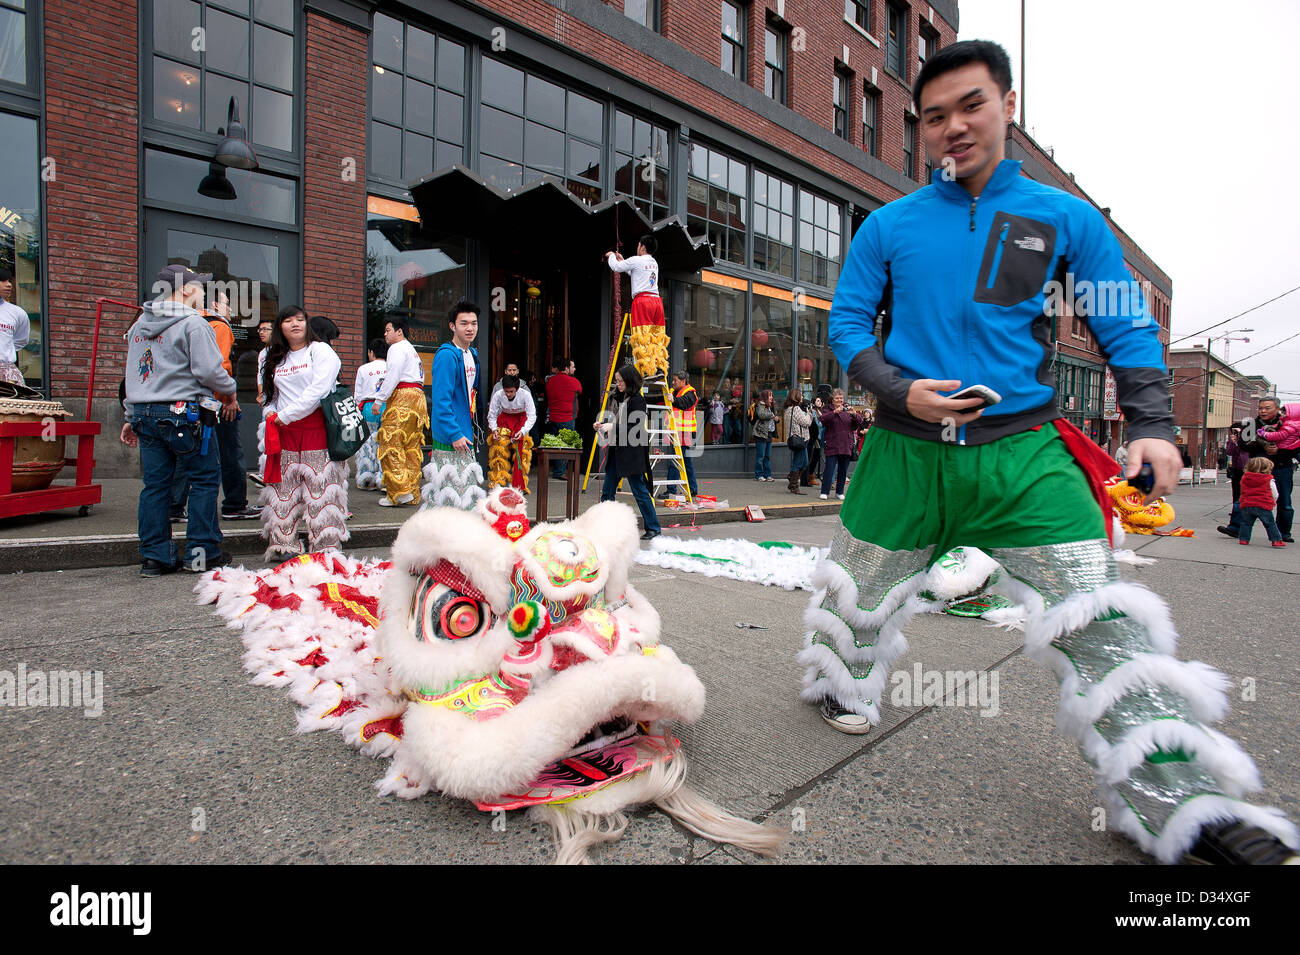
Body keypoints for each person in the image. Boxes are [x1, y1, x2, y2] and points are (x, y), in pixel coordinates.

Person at [796, 39, 1296, 864]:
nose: (953, 127)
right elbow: (848, 326)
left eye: (971, 106)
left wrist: (1151, 423)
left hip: (1024, 458)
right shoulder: (886, 225)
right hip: (903, 451)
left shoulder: (1064, 219)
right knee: (854, 604)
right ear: (918, 129)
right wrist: (896, 387)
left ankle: (1183, 805)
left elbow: (1125, 324)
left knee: (1101, 620)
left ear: (1008, 104)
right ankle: (839, 685)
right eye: (933, 117)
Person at [120, 264, 237, 576]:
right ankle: (202, 554)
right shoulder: (193, 324)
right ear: (185, 289)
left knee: (155, 486)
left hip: (145, 414)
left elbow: (133, 375)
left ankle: (155, 558)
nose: (202, 292)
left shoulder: (138, 327)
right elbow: (210, 371)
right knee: (203, 480)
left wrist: (131, 416)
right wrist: (231, 389)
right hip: (185, 413)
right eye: (198, 286)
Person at [259, 305, 348, 561]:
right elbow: (268, 394)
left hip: (315, 428)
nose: (295, 324)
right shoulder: (273, 356)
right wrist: (270, 412)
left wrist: (284, 416)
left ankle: (325, 547)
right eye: (288, 321)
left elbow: (318, 390)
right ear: (280, 327)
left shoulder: (320, 351)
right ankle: (283, 544)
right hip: (282, 432)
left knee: (320, 489)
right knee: (283, 490)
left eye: (300, 319)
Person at [421, 300, 486, 510]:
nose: (470, 328)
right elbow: (441, 402)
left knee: (466, 491)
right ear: (452, 326)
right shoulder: (446, 355)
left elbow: (471, 396)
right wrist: (454, 433)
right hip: (451, 436)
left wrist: (472, 427)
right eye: (463, 323)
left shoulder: (471, 354)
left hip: (464, 432)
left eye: (474, 323)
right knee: (448, 493)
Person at [596, 364, 660, 540]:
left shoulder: (638, 400)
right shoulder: (618, 397)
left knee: (639, 491)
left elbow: (635, 426)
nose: (618, 384)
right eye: (616, 381)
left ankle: (653, 527)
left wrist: (612, 426)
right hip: (618, 450)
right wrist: (602, 426)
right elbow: (616, 423)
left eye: (620, 381)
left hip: (632, 452)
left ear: (629, 380)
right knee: (608, 490)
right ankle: (603, 524)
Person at [1220, 397, 1297, 542]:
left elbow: (1295, 446)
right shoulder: (1251, 424)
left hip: (1282, 467)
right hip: (1257, 469)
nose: (1263, 411)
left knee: (1284, 501)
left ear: (1277, 409)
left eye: (1267, 408)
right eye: (1261, 408)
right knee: (1244, 498)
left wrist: (1278, 451)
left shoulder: (1287, 424)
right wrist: (1264, 447)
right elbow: (1244, 444)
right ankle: (1235, 528)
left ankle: (1284, 533)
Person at [372, 317, 427, 507]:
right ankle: (411, 491)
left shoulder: (396, 348)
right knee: (411, 447)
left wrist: (379, 399)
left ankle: (400, 490)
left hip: (403, 396)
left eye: (388, 330)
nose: (385, 334)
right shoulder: (412, 350)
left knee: (389, 442)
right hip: (418, 398)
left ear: (399, 332)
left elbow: (392, 375)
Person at [606, 235, 667, 380]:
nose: (637, 247)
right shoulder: (654, 263)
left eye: (638, 245)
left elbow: (616, 267)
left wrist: (610, 256)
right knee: (656, 336)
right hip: (656, 302)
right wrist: (623, 260)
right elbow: (636, 273)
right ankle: (657, 368)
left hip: (643, 301)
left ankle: (645, 369)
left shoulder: (637, 260)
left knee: (642, 336)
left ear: (643, 247)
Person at [486, 372, 537, 493]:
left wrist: (523, 431)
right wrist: (494, 430)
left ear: (517, 389)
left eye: (511, 392)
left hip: (521, 420)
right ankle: (498, 482)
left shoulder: (525, 395)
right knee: (499, 447)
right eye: (506, 391)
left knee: (523, 449)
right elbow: (492, 415)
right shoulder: (498, 395)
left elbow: (532, 416)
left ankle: (520, 484)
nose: (508, 394)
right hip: (504, 419)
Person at [353, 337, 388, 491]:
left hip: (368, 406)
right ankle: (385, 479)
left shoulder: (364, 369)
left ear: (371, 352)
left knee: (368, 442)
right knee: (386, 442)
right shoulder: (391, 368)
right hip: (388, 406)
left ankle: (367, 478)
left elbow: (357, 395)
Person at [818, 388, 864, 500]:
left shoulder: (847, 409)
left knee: (843, 470)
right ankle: (825, 491)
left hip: (846, 443)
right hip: (833, 442)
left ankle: (840, 492)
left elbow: (859, 422)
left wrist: (854, 414)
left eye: (841, 398)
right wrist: (835, 412)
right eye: (837, 398)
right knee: (829, 469)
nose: (839, 400)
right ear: (833, 399)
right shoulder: (827, 409)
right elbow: (822, 419)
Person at [544, 357, 582, 479]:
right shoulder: (574, 381)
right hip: (567, 417)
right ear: (566, 368)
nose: (574, 369)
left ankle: (557, 470)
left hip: (554, 417)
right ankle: (561, 472)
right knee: (566, 446)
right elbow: (580, 391)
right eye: (573, 366)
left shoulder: (550, 381)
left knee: (555, 445)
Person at [249, 315, 275, 488]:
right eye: (260, 330)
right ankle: (266, 472)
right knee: (267, 434)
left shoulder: (283, 350)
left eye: (265, 329)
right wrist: (261, 395)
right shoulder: (263, 353)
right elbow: (260, 375)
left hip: (281, 400)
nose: (261, 333)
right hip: (268, 399)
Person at [1237, 457, 1285, 547]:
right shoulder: (1268, 479)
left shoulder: (1245, 478)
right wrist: (1273, 501)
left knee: (1246, 523)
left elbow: (1242, 490)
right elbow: (1275, 493)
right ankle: (1276, 540)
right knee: (1270, 524)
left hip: (1247, 504)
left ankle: (1244, 539)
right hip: (1263, 504)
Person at [668, 369, 700, 497]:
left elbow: (684, 403)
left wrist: (674, 400)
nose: (673, 382)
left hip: (684, 433)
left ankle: (671, 490)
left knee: (676, 461)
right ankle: (692, 489)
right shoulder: (672, 392)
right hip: (676, 432)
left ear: (683, 381)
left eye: (675, 380)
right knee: (685, 462)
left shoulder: (690, 393)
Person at [0, 265, 30, 385]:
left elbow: (21, 340)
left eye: (9, 281)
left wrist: (6, 351)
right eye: (3, 280)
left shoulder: (17, 313)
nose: (9, 284)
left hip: (8, 374)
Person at [781, 391, 812, 495]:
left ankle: (792, 478)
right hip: (800, 439)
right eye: (801, 396)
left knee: (804, 462)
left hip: (794, 439)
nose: (802, 397)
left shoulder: (788, 409)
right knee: (798, 463)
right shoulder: (796, 409)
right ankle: (794, 486)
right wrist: (809, 414)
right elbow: (806, 422)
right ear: (796, 397)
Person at [750, 389, 775, 481]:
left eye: (772, 395)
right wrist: (771, 415)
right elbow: (761, 415)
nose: (772, 397)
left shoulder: (770, 406)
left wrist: (776, 418)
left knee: (767, 456)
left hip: (769, 433)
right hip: (760, 434)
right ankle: (758, 475)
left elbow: (772, 416)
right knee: (761, 456)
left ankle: (767, 475)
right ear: (765, 397)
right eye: (770, 396)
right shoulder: (761, 405)